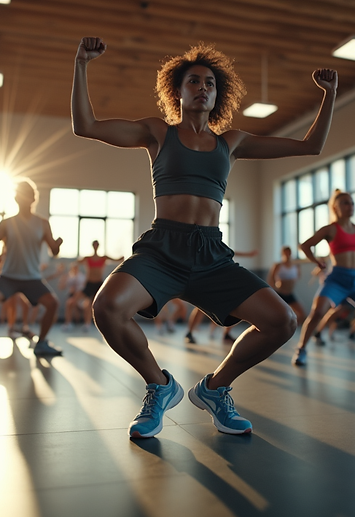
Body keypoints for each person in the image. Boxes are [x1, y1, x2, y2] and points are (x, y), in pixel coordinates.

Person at [73, 36, 337, 437]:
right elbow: (85, 126)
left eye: (210, 83)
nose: (202, 88)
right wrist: (81, 65)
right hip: (161, 249)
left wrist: (329, 95)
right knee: (106, 306)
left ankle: (215, 389)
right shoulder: (158, 132)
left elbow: (311, 146)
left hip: (211, 254)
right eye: (193, 81)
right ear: (177, 92)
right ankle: (160, 386)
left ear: (218, 96)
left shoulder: (232, 142)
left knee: (283, 321)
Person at [292, 190, 355, 366]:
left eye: (352, 203)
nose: (350, 206)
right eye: (345, 203)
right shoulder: (330, 229)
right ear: (335, 207)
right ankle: (301, 349)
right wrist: (316, 261)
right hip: (337, 278)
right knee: (317, 312)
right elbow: (305, 245)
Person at [0, 178, 63, 357]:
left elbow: (53, 251)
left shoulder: (42, 223)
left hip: (32, 277)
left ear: (34, 198)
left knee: (53, 304)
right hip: (8, 276)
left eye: (29, 195)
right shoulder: (7, 223)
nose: (25, 198)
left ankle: (42, 343)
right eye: (21, 195)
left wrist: (58, 245)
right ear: (16, 198)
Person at [78, 240, 123, 328]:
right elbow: (76, 262)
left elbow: (117, 259)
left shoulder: (103, 258)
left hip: (98, 283)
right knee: (86, 303)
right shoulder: (87, 258)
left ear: (98, 246)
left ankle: (102, 323)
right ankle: (86, 324)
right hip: (89, 283)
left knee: (98, 304)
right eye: (94, 244)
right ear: (92, 246)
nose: (95, 246)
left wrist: (121, 258)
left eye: (97, 245)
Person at [267, 247, 307, 328]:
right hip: (280, 294)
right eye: (285, 253)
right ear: (282, 254)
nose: (287, 255)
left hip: (290, 294)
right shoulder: (278, 265)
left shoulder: (296, 266)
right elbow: (271, 280)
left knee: (302, 314)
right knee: (278, 315)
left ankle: (292, 328)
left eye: (289, 253)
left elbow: (297, 277)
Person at [61, 262, 87, 331]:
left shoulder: (81, 277)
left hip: (80, 298)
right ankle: (68, 323)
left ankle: (87, 324)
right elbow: (61, 287)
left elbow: (82, 291)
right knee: (69, 303)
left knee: (86, 304)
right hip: (71, 297)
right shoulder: (69, 277)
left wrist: (76, 298)